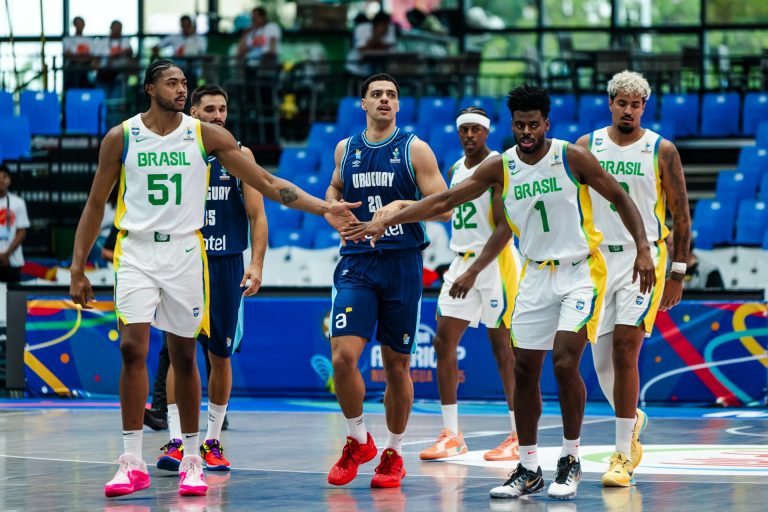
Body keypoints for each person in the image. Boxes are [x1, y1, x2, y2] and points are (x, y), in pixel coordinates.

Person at [342, 84, 656, 501]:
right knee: (524, 371)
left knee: (565, 362)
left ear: (547, 124)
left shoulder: (571, 156)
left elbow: (620, 197)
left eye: (533, 125)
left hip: (581, 272)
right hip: (534, 275)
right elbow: (446, 200)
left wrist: (643, 250)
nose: (526, 132)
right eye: (520, 125)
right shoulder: (502, 166)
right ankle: (528, 467)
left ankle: (570, 459)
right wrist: (394, 215)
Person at [68, 59, 359, 498]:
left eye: (184, 83)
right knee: (132, 348)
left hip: (186, 251)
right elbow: (95, 204)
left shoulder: (204, 135)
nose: (181, 89)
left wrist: (324, 208)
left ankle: (192, 458)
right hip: (136, 250)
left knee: (185, 356)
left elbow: (267, 182)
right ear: (150, 89)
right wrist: (78, 267)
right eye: (172, 83)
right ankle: (130, 461)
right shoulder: (122, 136)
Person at [325, 73, 450, 489]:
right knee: (343, 358)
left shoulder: (415, 148)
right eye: (376, 94)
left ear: (398, 105)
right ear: (363, 103)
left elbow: (445, 207)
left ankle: (393, 453)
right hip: (357, 262)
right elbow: (334, 188)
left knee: (397, 366)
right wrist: (332, 207)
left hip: (401, 263)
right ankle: (358, 439)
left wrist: (399, 207)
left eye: (391, 95)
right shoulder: (346, 148)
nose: (384, 99)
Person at [576, 70, 691, 488]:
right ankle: (633, 417)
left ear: (644, 107)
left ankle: (622, 455)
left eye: (636, 104)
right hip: (597, 262)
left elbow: (681, 214)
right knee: (602, 362)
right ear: (610, 103)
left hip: (645, 260)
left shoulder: (662, 149)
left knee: (626, 349)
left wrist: (677, 272)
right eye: (622, 103)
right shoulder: (586, 146)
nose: (628, 110)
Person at [157, 83, 268, 473]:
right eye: (210, 110)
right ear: (194, 113)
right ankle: (176, 440)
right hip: (184, 263)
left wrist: (257, 264)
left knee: (220, 355)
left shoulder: (240, 155)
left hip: (226, 265)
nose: (218, 116)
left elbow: (257, 215)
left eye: (222, 109)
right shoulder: (174, 152)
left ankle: (212, 441)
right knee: (180, 353)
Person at [418, 107, 521, 462]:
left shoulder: (498, 167)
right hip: (461, 261)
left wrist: (475, 272)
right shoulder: (455, 170)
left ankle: (518, 435)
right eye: (465, 130)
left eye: (476, 129)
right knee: (442, 342)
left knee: (504, 351)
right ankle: (452, 434)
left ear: (486, 132)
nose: (470, 135)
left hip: (495, 264)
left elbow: (506, 229)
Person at [0, 165, 29, 283]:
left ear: (9, 181)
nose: (1, 180)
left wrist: (7, 254)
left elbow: (22, 232)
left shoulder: (18, 202)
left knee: (12, 293)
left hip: (13, 259)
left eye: (4, 177)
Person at [346, 11, 397, 77]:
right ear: (375, 24)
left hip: (375, 70)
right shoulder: (362, 28)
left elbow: (388, 47)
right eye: (383, 25)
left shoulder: (390, 27)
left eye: (386, 25)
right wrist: (376, 35)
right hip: (355, 68)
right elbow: (362, 49)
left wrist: (375, 44)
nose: (386, 28)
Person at [63, 16, 96, 89]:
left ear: (84, 25)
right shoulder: (68, 39)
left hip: (86, 70)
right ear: (74, 25)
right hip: (71, 70)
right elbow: (67, 55)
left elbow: (92, 56)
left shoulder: (89, 40)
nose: (79, 25)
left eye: (81, 23)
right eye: (78, 23)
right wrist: (83, 57)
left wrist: (76, 57)